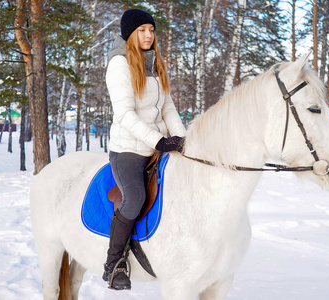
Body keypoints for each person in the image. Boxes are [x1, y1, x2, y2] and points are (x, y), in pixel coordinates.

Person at [103, 8, 186, 290]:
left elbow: (168, 108)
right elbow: (125, 114)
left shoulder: (155, 62)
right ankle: (114, 264)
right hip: (128, 149)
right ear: (130, 34)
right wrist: (158, 141)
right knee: (135, 197)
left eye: (151, 30)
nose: (149, 35)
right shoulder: (119, 64)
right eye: (142, 31)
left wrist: (182, 138)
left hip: (155, 147)